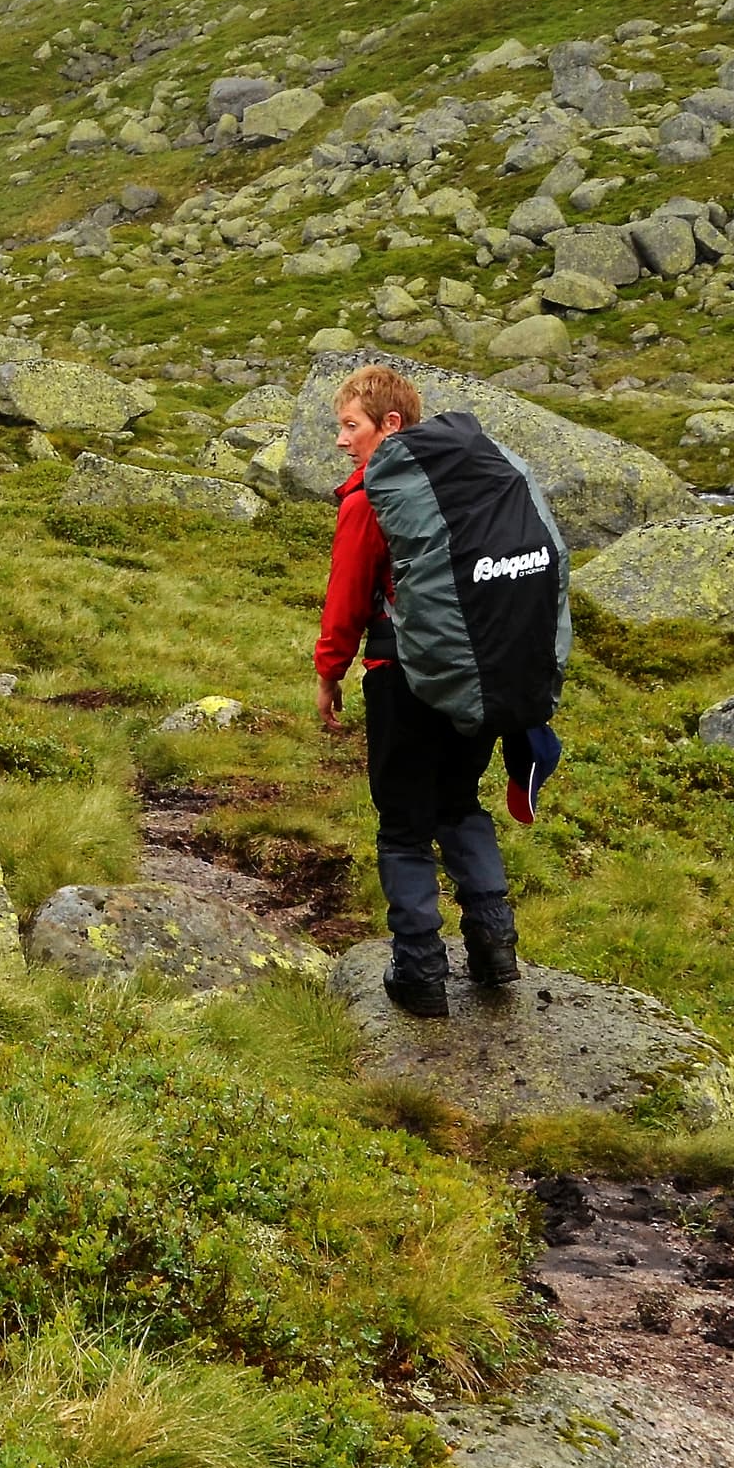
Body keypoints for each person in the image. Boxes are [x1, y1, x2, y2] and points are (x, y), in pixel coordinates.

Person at [314, 363, 521, 1017]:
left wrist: (329, 672)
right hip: (479, 675)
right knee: (459, 803)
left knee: (403, 825)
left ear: (390, 425)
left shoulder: (373, 495)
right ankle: (495, 949)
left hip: (402, 679)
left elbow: (347, 600)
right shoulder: (468, 481)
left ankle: (421, 974)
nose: (342, 440)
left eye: (351, 426)